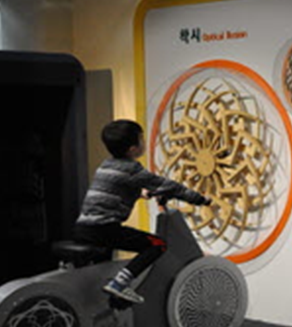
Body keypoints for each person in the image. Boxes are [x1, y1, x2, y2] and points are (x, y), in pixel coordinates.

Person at [74, 119, 210, 304]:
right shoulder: (132, 169)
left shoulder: (106, 165)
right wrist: (200, 199)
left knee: (103, 270)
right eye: (141, 139)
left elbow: (114, 189)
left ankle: (113, 301)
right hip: (104, 228)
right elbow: (170, 186)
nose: (144, 142)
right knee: (157, 245)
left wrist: (140, 193)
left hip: (84, 227)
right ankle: (120, 284)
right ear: (133, 149)